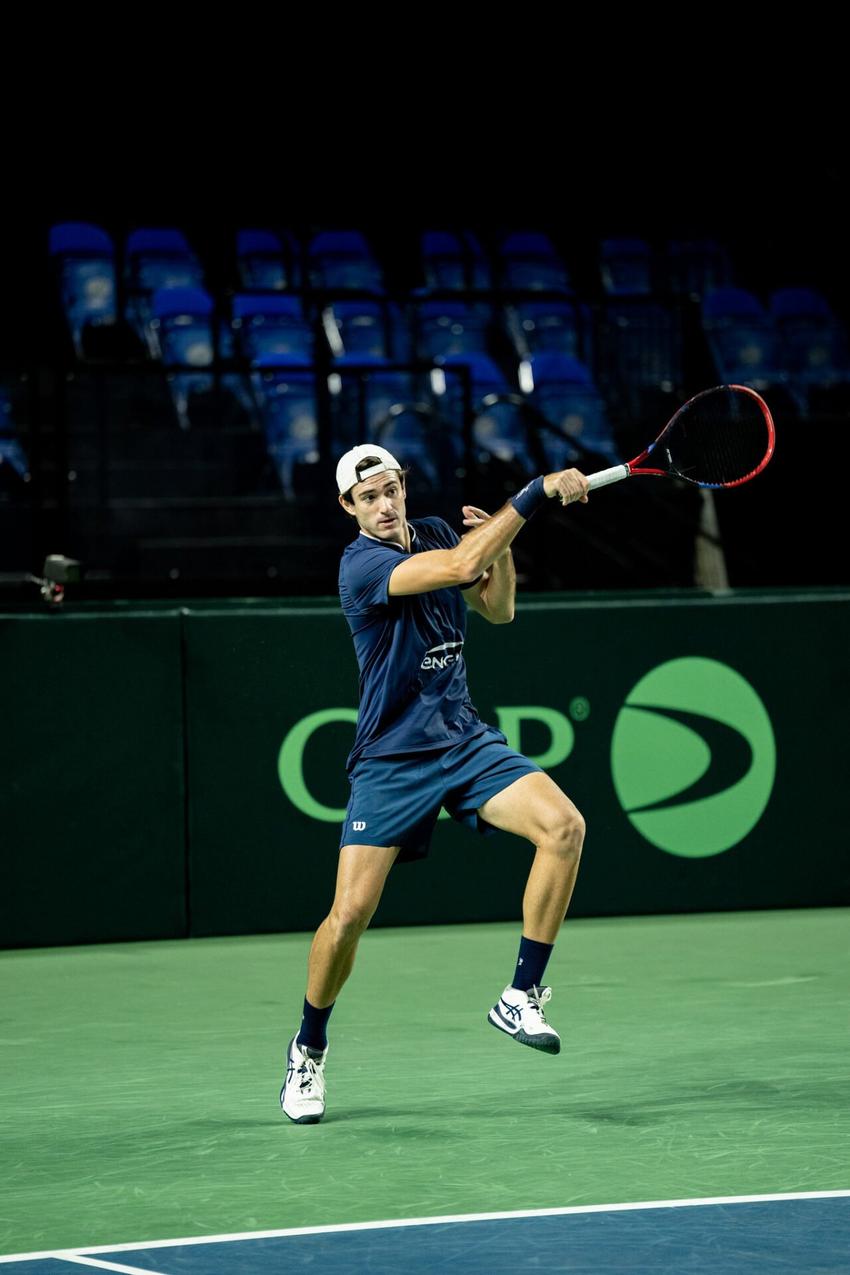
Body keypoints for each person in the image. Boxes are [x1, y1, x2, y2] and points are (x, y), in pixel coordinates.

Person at [280, 444, 590, 1123]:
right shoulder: (360, 566)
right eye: (369, 498)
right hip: (391, 760)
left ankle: (522, 994)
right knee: (349, 915)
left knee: (564, 827)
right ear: (349, 508)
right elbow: (459, 568)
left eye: (392, 489)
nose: (385, 504)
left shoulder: (443, 533)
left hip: (463, 738)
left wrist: (498, 548)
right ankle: (308, 1046)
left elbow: (497, 609)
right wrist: (534, 493)